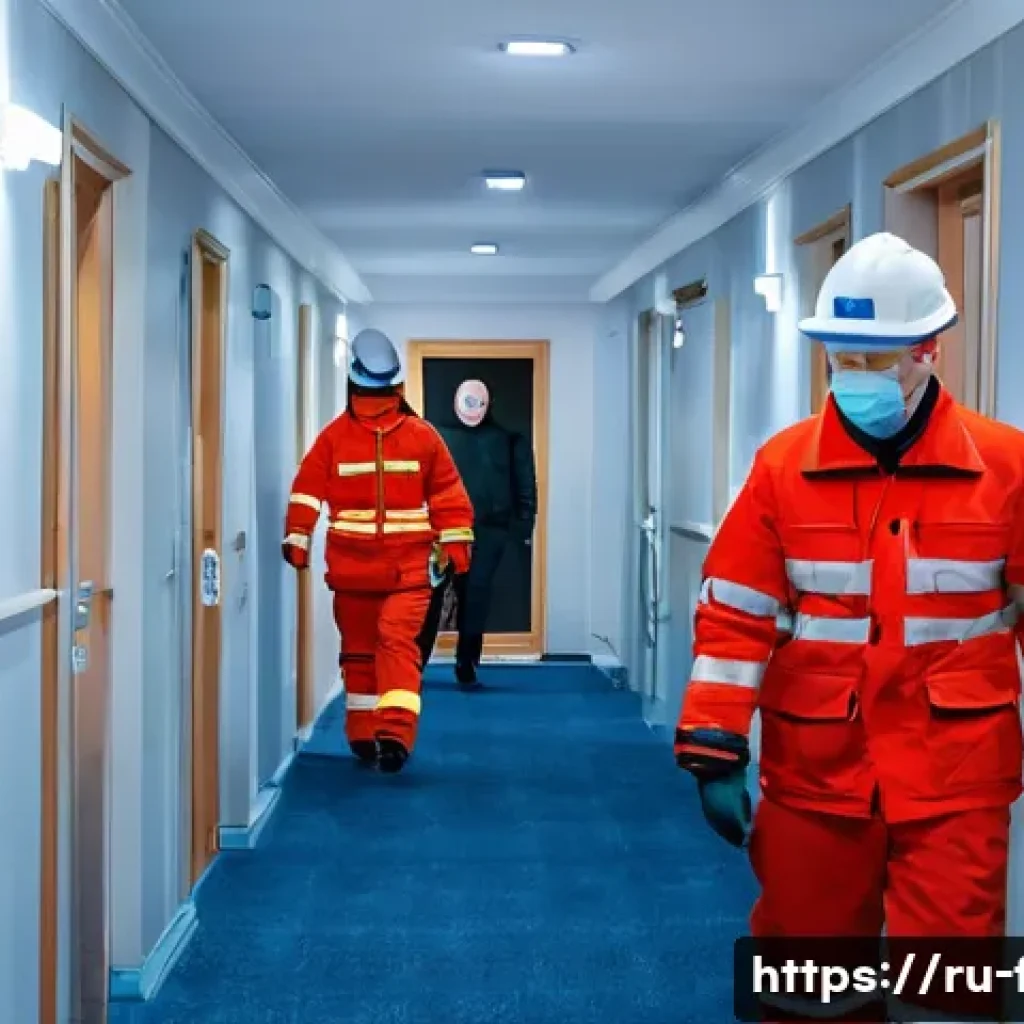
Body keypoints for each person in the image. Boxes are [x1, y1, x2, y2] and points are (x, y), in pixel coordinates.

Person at [674, 232, 1024, 1020]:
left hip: (956, 776)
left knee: (953, 989)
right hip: (816, 773)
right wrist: (713, 743)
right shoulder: (782, 468)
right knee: (806, 984)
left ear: (927, 351)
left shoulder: (1007, 470)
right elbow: (734, 614)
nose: (852, 376)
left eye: (875, 358)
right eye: (841, 356)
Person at [281, 328, 474, 774]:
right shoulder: (345, 440)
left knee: (394, 642)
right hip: (355, 572)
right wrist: (297, 534)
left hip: (406, 572)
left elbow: (447, 495)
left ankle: (394, 734)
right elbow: (307, 491)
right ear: (398, 384)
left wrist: (298, 538)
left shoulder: (418, 438)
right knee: (360, 651)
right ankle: (366, 735)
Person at [424, 378, 538, 686]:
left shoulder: (507, 440)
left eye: (479, 403)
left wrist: (522, 528)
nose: (473, 409)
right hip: (443, 531)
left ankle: (466, 663)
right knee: (429, 598)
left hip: (488, 531)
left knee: (476, 596)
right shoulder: (435, 437)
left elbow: (525, 486)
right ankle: (415, 662)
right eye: (469, 402)